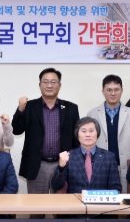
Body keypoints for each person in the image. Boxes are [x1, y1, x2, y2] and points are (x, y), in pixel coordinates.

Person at [12, 67, 80, 196]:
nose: (49, 85)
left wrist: (75, 164)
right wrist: (20, 110)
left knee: (62, 206)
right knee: (36, 206)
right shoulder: (30, 106)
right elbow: (16, 130)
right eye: (45, 82)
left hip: (62, 165)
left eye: (53, 82)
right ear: (40, 85)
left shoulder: (71, 108)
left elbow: (77, 138)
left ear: (59, 85)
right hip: (37, 166)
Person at [87, 74, 130, 193]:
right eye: (109, 90)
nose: (113, 93)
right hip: (100, 165)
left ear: (122, 91)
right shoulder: (92, 114)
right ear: (103, 91)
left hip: (124, 165)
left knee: (124, 199)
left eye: (116, 90)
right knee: (101, 200)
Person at [51, 117, 121, 194]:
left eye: (91, 131)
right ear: (77, 135)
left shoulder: (109, 157)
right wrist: (61, 167)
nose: (88, 135)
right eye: (83, 131)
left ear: (97, 133)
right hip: (75, 200)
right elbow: (56, 186)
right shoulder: (69, 157)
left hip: (100, 200)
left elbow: (115, 187)